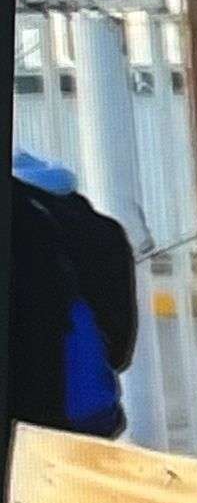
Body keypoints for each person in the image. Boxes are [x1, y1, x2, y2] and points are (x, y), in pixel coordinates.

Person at [8, 153, 138, 438]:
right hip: (90, 416)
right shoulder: (105, 231)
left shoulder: (24, 224)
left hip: (29, 419)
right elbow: (119, 352)